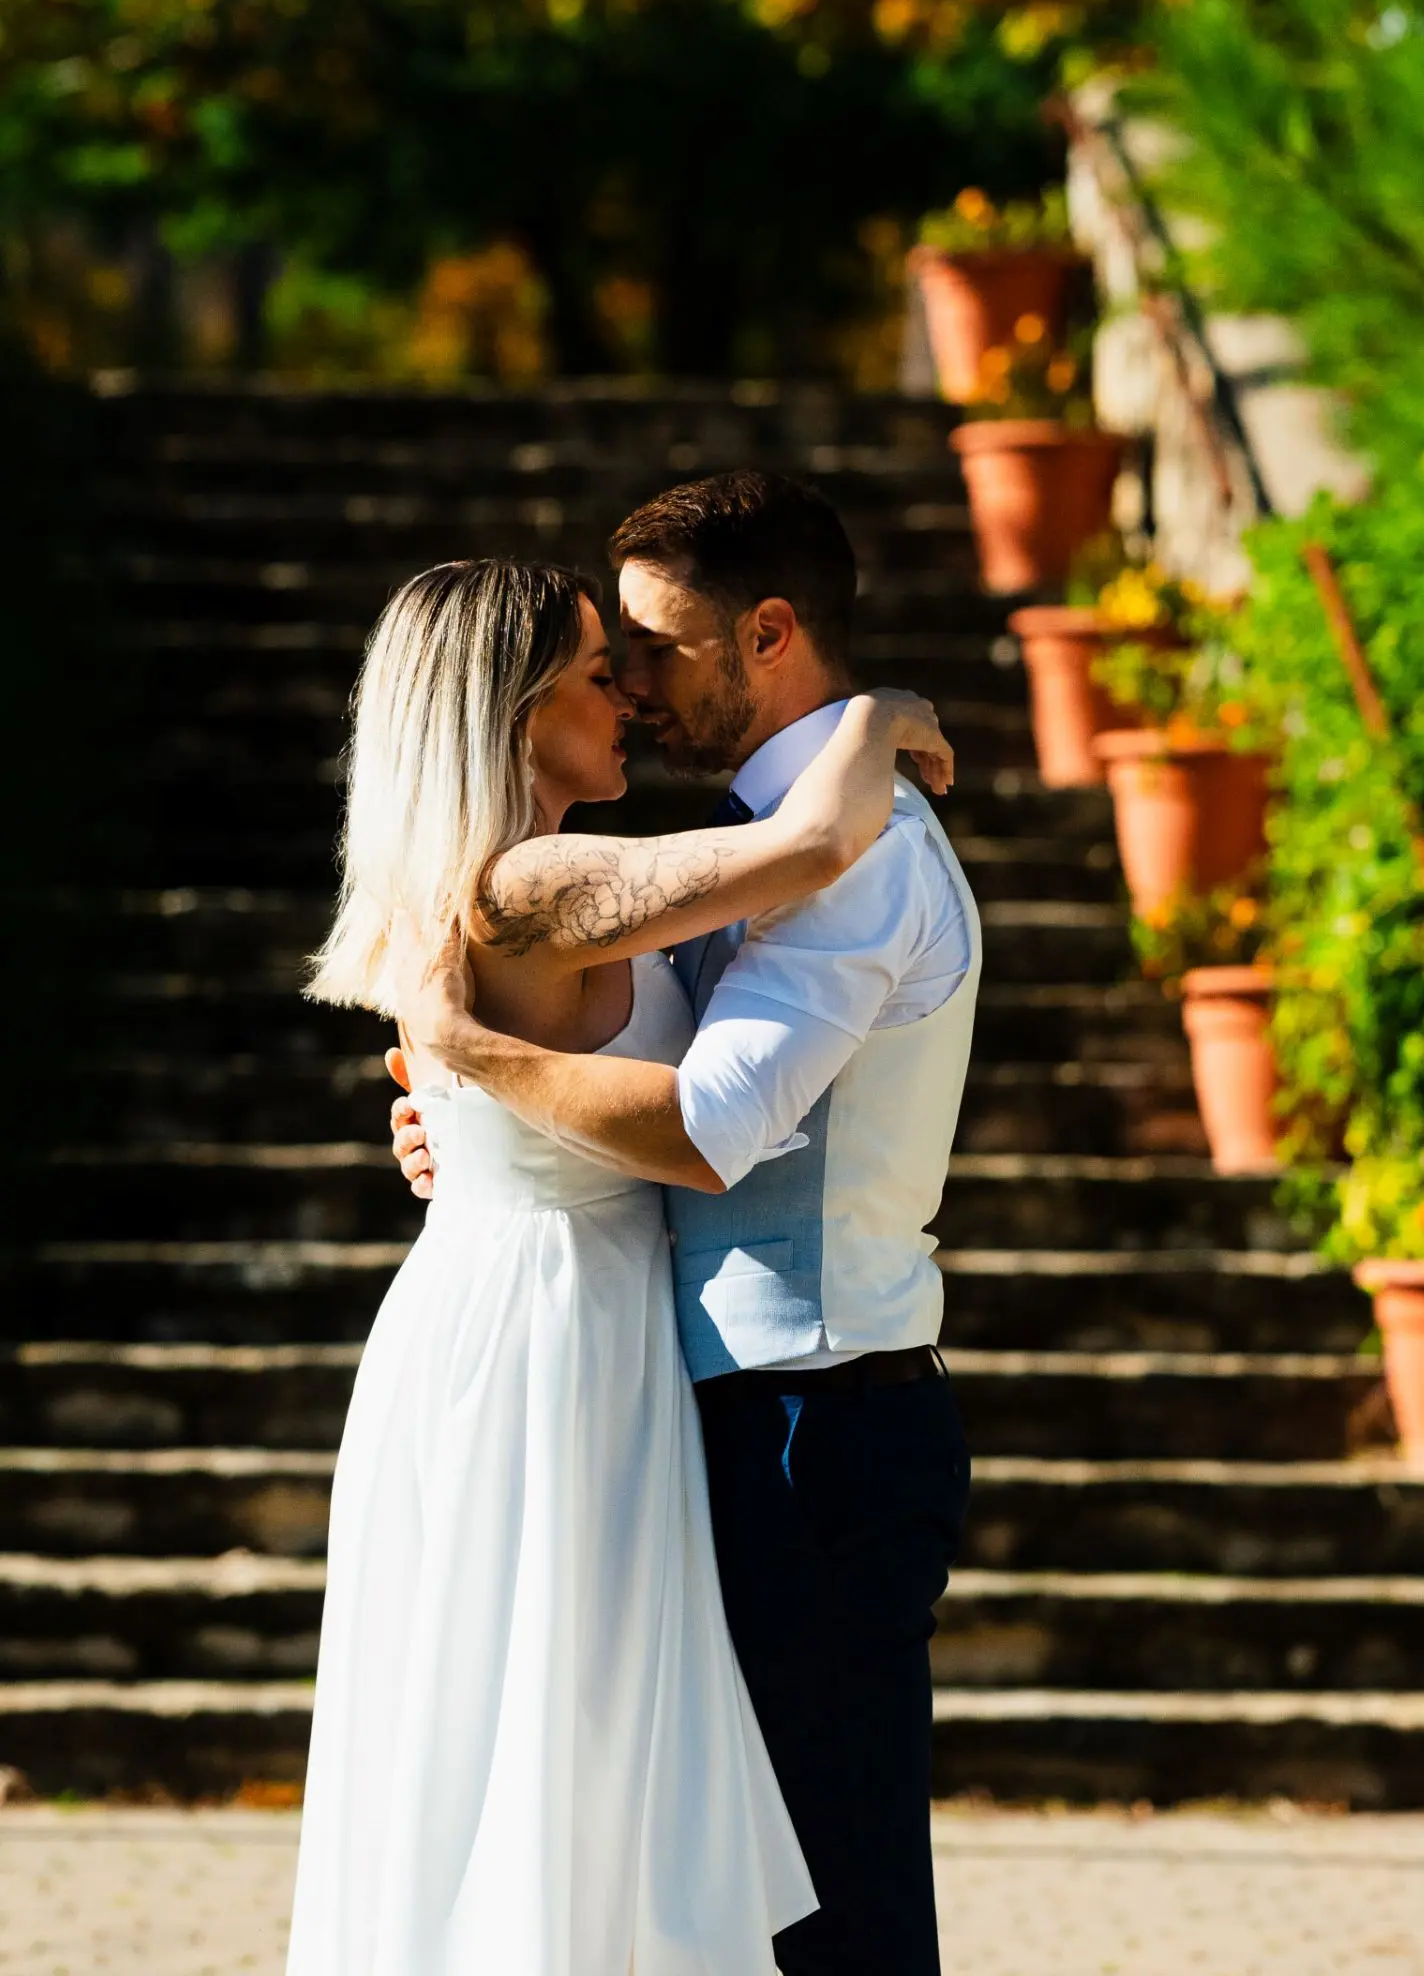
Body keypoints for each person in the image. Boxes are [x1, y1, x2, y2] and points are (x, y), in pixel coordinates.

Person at [286, 550, 954, 1976]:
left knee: (559, 1755)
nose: (633, 699)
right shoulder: (528, 876)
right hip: (545, 1344)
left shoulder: (507, 877)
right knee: (555, 1744)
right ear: (519, 711)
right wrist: (879, 712)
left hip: (560, 1308)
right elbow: (809, 853)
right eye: (602, 673)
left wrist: (460, 1104)